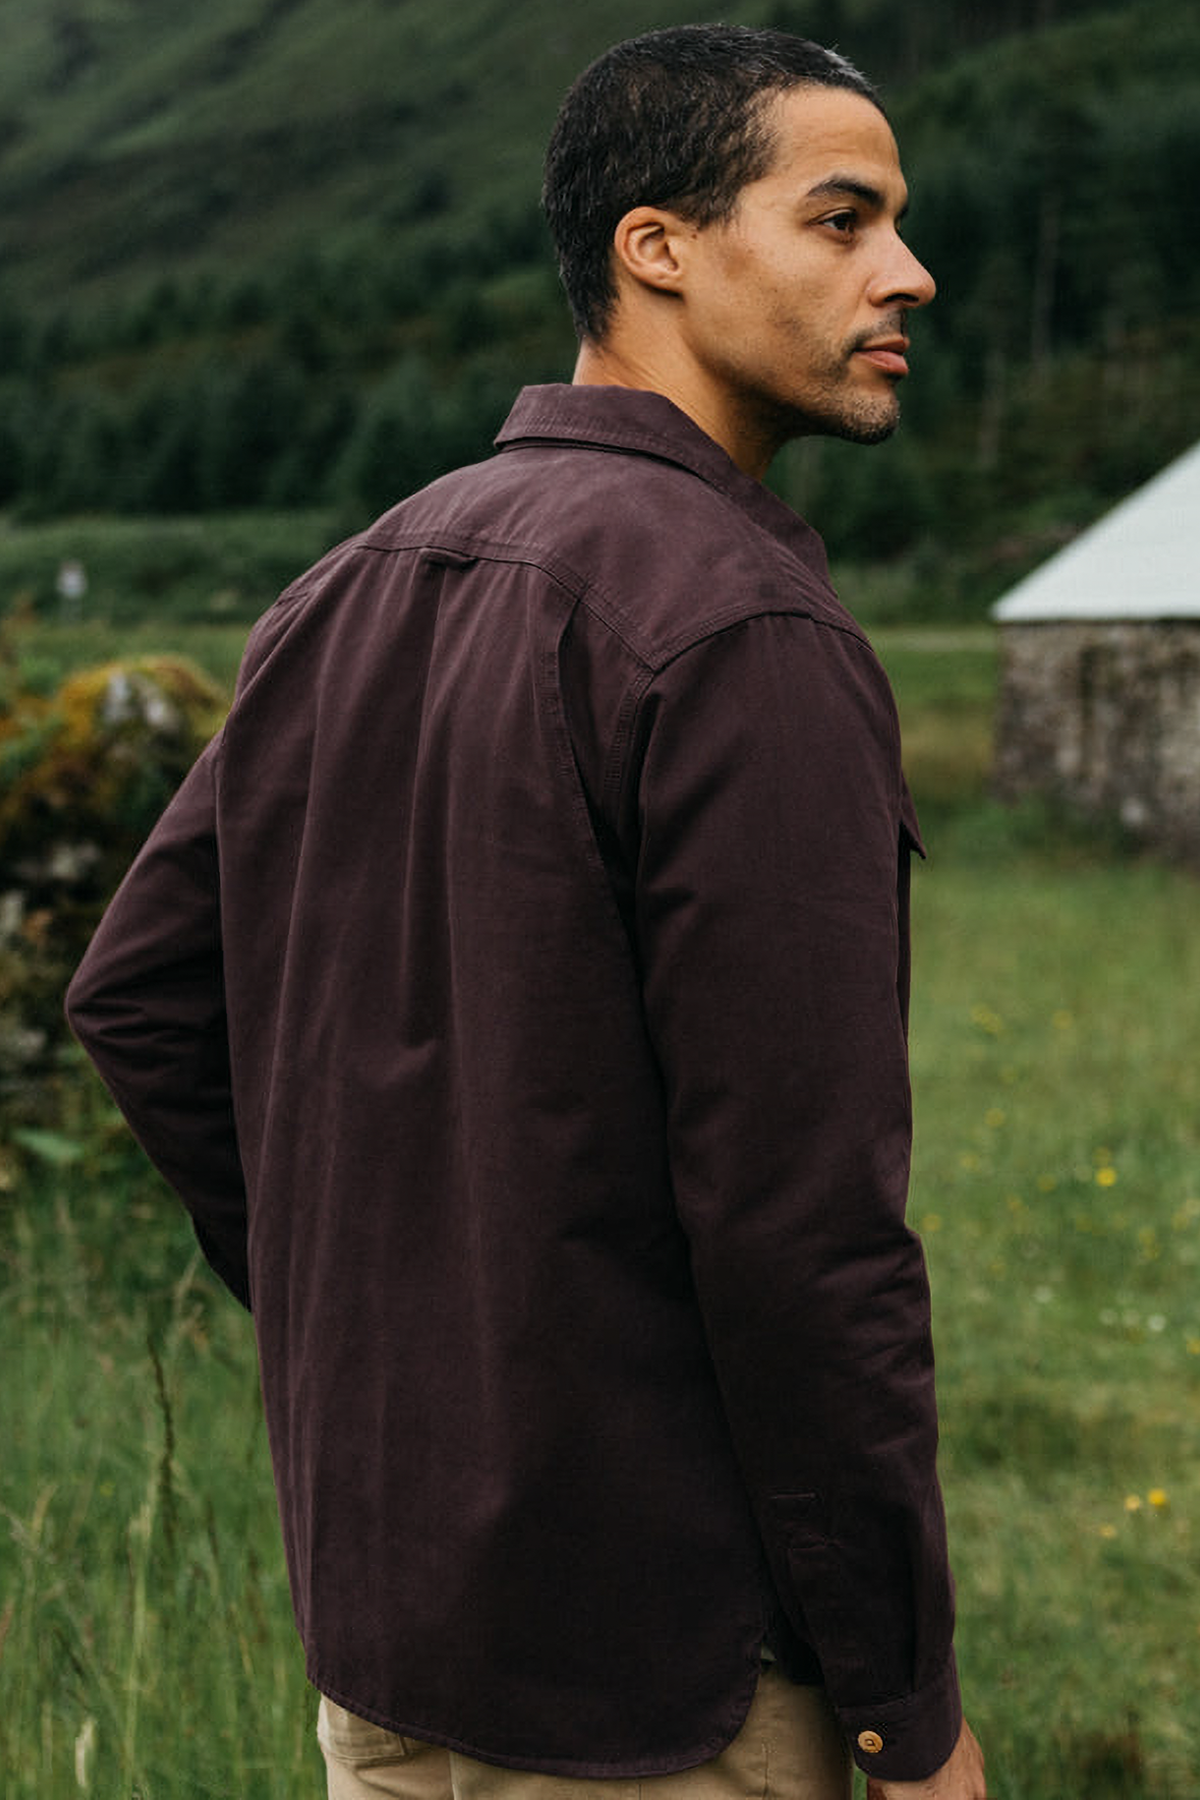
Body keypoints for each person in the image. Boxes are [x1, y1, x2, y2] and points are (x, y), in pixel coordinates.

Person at [66, 23, 986, 1800]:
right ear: (659, 248)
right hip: (668, 1686)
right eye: (843, 218)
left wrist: (401, 1344)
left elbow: (142, 1001)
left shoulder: (350, 581)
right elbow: (803, 1236)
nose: (909, 273)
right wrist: (907, 1707)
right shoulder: (742, 633)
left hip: (393, 1651)